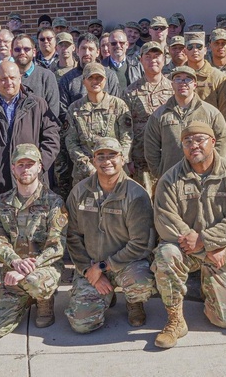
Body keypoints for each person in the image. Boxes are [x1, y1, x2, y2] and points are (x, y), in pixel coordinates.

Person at [151, 121, 226, 348]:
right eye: (187, 141)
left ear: (213, 142)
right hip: (187, 249)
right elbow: (165, 219)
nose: (193, 145)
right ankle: (175, 321)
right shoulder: (170, 179)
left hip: (222, 251)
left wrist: (207, 241)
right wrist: (200, 245)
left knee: (225, 321)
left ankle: (206, 287)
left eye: (199, 139)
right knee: (166, 253)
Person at [65, 138, 156, 333]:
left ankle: (134, 302)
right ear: (93, 160)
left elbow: (140, 244)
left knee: (140, 282)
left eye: (112, 156)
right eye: (101, 156)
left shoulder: (136, 195)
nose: (107, 161)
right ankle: (106, 295)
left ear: (122, 159)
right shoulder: (79, 192)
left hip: (127, 264)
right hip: (92, 266)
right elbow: (72, 236)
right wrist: (87, 271)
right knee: (82, 324)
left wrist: (104, 266)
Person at [0, 143, 67, 336]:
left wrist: (30, 267)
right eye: (20, 164)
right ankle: (25, 298)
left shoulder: (54, 202)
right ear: (12, 168)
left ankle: (43, 300)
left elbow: (56, 246)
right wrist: (15, 261)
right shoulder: (1, 203)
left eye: (30, 164)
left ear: (39, 166)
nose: (25, 169)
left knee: (33, 281)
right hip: (13, 272)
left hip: (43, 271)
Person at [0, 60, 60, 204]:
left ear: (20, 78)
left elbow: (52, 139)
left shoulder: (38, 105)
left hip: (34, 186)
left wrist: (38, 168)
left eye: (12, 78)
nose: (8, 82)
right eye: (3, 79)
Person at [143, 66, 226, 180]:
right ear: (172, 85)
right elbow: (151, 146)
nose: (183, 83)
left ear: (195, 85)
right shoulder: (159, 115)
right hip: (171, 179)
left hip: (204, 177)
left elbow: (222, 140)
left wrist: (212, 167)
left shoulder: (211, 113)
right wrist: (160, 172)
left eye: (188, 79)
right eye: (178, 79)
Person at [64, 63, 133, 186]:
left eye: (99, 78)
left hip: (114, 171)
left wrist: (116, 163)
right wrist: (88, 166)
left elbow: (126, 138)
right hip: (85, 175)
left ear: (105, 80)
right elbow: (71, 143)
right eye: (91, 78)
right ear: (83, 81)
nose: (95, 81)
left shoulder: (118, 105)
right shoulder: (74, 109)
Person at [123, 41, 174, 192]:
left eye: (157, 56)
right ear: (141, 60)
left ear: (164, 60)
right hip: (141, 161)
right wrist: (128, 159)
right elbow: (126, 128)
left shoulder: (173, 89)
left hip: (168, 158)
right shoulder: (131, 92)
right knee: (143, 203)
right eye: (148, 56)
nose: (153, 60)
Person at [185, 31, 226, 140]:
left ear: (205, 50)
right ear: (184, 51)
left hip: (210, 138)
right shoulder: (175, 77)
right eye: (190, 47)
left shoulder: (218, 78)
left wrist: (222, 142)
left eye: (199, 47)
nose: (195, 50)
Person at [13, 33, 60, 118]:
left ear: (34, 52)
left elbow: (53, 113)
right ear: (11, 52)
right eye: (17, 49)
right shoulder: (1, 78)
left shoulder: (47, 77)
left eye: (26, 49)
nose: (22, 52)